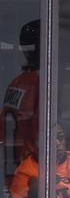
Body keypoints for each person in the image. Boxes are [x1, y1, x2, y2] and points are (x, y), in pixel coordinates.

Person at [1, 20, 40, 173]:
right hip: (31, 170)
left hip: (14, 163)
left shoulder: (18, 82)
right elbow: (42, 133)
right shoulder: (41, 83)